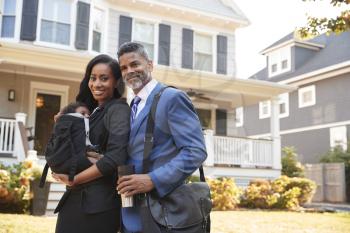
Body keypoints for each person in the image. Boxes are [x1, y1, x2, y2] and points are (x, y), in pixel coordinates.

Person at [116, 42, 207, 233]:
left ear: (150, 64)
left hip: (163, 213)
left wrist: (153, 180)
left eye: (135, 64)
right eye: (124, 68)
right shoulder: (131, 105)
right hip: (131, 212)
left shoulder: (171, 98)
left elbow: (195, 151)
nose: (129, 71)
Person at [52, 54, 130, 233]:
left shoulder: (118, 109)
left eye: (104, 78)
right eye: (93, 78)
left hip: (97, 204)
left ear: (117, 82)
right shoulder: (90, 111)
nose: (96, 84)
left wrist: (75, 178)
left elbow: (116, 157)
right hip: (74, 198)